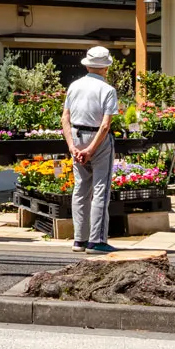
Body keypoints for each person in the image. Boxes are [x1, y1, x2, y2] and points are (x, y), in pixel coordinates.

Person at [61, 45, 120, 253]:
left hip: (76, 136)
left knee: (80, 189)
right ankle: (97, 240)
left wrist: (72, 147)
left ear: (87, 66)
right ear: (105, 68)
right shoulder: (108, 90)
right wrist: (92, 149)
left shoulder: (74, 86)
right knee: (100, 190)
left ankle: (79, 239)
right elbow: (105, 125)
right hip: (98, 139)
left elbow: (65, 118)